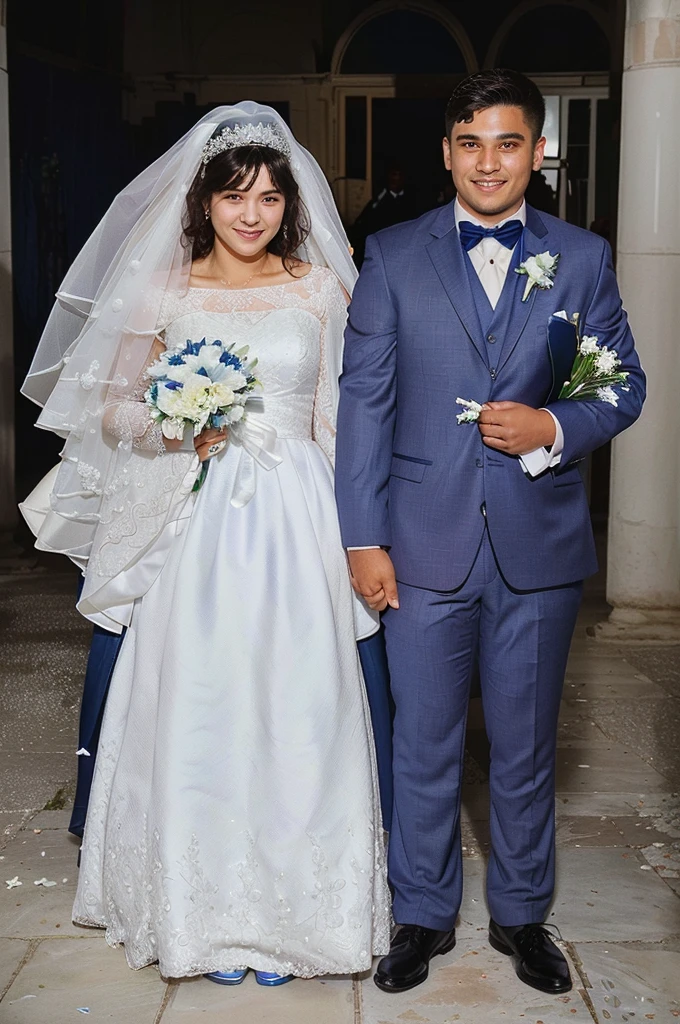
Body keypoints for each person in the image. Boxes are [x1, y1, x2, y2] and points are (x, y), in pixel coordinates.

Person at [21, 103, 390, 983]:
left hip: (299, 514)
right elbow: (109, 406)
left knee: (298, 707)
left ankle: (294, 917)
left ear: (290, 204)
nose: (253, 213)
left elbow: (347, 415)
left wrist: (364, 532)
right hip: (200, 518)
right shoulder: (167, 290)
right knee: (204, 704)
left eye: (269, 197)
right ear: (204, 204)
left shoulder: (320, 289)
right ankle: (205, 915)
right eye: (235, 198)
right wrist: (174, 425)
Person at [335, 69, 645, 996]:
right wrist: (362, 537)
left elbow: (622, 384)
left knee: (525, 745)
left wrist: (554, 428)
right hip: (421, 545)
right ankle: (421, 915)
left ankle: (520, 915)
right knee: (421, 741)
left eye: (508, 143)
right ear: (447, 152)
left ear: (537, 152)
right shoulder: (390, 255)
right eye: (470, 143)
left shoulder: (582, 258)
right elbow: (364, 408)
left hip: (538, 549)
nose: (488, 162)